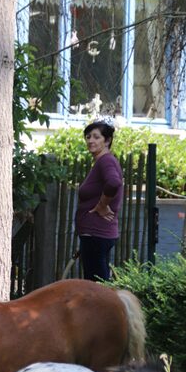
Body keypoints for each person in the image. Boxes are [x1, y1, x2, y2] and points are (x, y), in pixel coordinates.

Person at [74, 118, 123, 281]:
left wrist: (102, 205)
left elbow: (114, 182)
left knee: (97, 286)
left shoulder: (106, 160)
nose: (90, 140)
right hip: (95, 234)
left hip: (97, 233)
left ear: (107, 140)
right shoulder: (101, 162)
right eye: (88, 137)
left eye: (96, 137)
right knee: (97, 282)